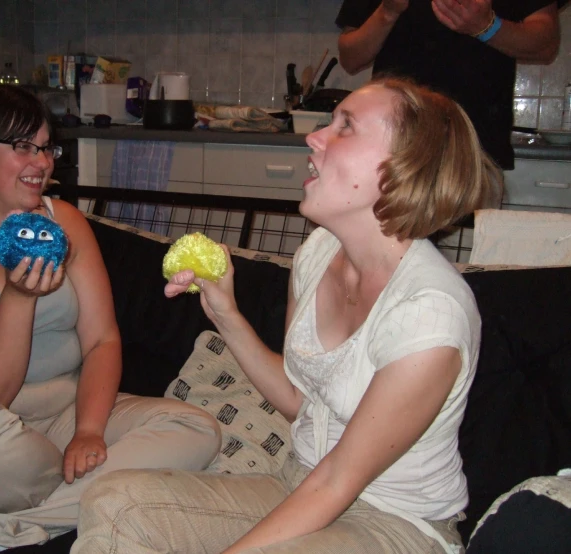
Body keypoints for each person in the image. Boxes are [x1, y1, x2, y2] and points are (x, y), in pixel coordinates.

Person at [69, 77, 503, 554]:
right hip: (300, 481)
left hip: (395, 523)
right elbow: (301, 400)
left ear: (403, 166)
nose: (314, 137)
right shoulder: (318, 254)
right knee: (115, 502)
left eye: (346, 126)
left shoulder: (430, 313)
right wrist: (226, 312)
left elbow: (340, 478)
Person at [0, 84, 221, 554]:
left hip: (61, 413)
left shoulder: (65, 221)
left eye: (46, 147)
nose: (41, 163)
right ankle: (91, 489)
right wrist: (19, 297)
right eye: (22, 146)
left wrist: (89, 430)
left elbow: (102, 341)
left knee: (196, 429)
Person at [335, 0, 564, 171]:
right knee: (383, 235)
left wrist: (486, 26)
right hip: (389, 150)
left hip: (474, 154)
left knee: (471, 235)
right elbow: (350, 58)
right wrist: (387, 11)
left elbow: (545, 44)